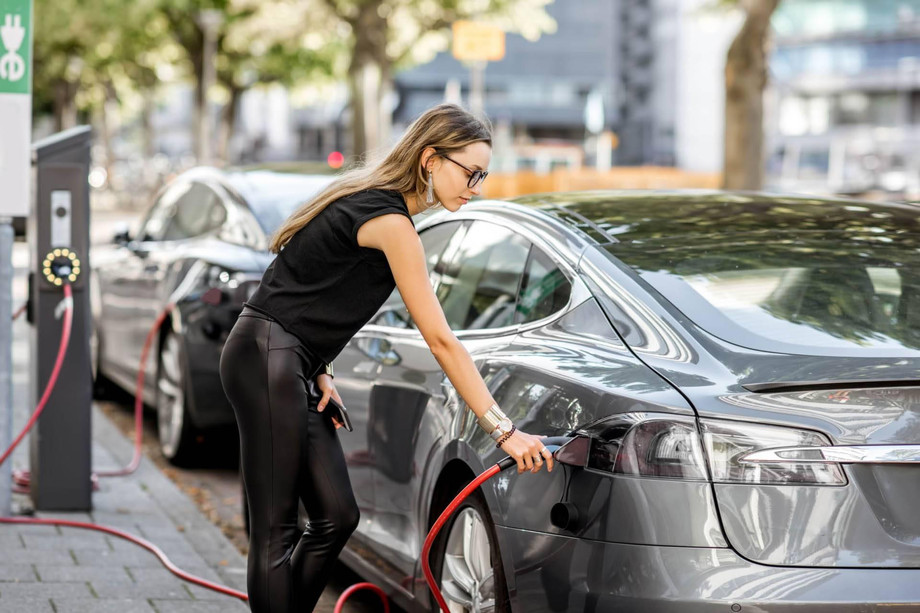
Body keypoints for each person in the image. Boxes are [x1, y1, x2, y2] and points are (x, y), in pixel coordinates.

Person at [219, 103, 553, 613]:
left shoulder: (375, 206)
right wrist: (504, 431)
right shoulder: (388, 219)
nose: (477, 186)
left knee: (336, 516)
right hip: (267, 356)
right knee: (276, 530)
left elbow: (310, 282)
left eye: (483, 175)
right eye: (471, 172)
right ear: (430, 160)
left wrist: (322, 368)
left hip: (290, 360)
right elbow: (441, 340)